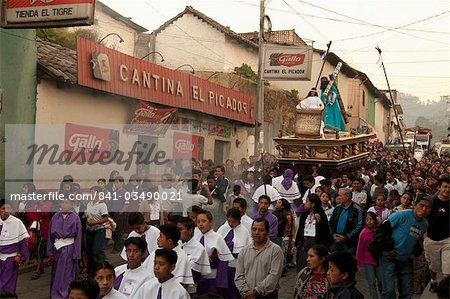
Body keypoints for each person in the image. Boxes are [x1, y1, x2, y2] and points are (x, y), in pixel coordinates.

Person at [374, 194, 432, 299]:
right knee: (389, 291)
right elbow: (380, 233)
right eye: (421, 205)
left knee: (406, 292)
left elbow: (416, 240)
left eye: (427, 207)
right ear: (414, 205)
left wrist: (415, 253)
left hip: (405, 261)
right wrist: (389, 249)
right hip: (389, 258)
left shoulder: (424, 224)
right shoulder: (401, 215)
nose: (424, 209)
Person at [235, 218, 284, 298]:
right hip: (247, 296)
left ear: (267, 232)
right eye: (254, 229)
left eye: (261, 230)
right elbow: (239, 275)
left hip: (267, 296)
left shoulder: (275, 250)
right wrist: (246, 291)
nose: (257, 232)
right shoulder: (244, 251)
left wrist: (256, 291)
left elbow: (274, 276)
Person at [194, 210, 234, 296]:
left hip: (212, 280)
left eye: (204, 221)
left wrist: (219, 284)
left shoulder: (217, 238)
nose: (201, 224)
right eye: (198, 222)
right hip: (197, 279)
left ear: (211, 222)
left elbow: (224, 261)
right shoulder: (195, 238)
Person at [47, 199, 82, 299]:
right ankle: (55, 294)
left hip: (69, 248)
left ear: (71, 204)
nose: (64, 205)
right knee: (56, 272)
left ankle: (65, 294)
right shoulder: (55, 217)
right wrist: (50, 252)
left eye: (66, 202)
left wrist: (76, 254)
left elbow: (78, 237)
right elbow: (50, 236)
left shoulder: (75, 218)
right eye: (62, 202)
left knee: (67, 273)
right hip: (57, 248)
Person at [217, 208, 251, 299]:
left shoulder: (244, 231)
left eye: (234, 222)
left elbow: (246, 249)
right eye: (229, 221)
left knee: (233, 288)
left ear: (239, 220)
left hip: (235, 264)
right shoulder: (223, 228)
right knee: (222, 287)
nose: (231, 224)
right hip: (223, 264)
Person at [424, 175, 450, 293]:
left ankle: (445, 288)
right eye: (445, 187)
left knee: (447, 268)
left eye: (449, 187)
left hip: (447, 240)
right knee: (433, 265)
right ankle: (433, 281)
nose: (447, 190)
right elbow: (423, 217)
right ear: (439, 187)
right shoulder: (431, 202)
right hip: (432, 239)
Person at [293, 194, 330, 273]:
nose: (305, 204)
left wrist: (326, 248)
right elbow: (300, 230)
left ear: (313, 204)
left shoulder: (321, 215)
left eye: (307, 202)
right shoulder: (304, 215)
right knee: (302, 266)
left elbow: (325, 232)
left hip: (315, 242)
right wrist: (296, 244)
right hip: (304, 243)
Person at [0, 199, 29, 293]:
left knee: (9, 286)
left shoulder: (17, 222)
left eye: (8, 208)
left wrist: (23, 257)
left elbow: (22, 242)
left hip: (11, 260)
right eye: (3, 208)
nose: (6, 211)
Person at [176, 217, 211, 295]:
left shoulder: (198, 248)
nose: (178, 232)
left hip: (190, 288)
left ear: (190, 230)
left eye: (181, 229)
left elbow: (193, 271)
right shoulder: (176, 244)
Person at [329, 188, 363, 255]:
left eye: (340, 195)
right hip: (335, 240)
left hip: (349, 243)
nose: (338, 198)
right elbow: (331, 222)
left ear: (347, 196)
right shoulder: (337, 208)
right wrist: (333, 234)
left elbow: (358, 226)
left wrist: (346, 237)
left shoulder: (357, 210)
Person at [356, 211, 381, 299]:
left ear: (375, 220)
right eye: (367, 220)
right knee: (372, 282)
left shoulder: (379, 231)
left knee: (381, 281)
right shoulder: (363, 233)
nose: (369, 222)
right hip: (368, 261)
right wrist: (358, 262)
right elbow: (359, 248)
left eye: (371, 219)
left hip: (378, 260)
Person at [84, 186, 109, 276]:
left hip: (99, 230)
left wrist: (95, 222)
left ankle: (104, 267)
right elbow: (87, 214)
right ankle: (91, 272)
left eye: (93, 192)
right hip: (89, 230)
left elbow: (106, 218)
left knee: (96, 251)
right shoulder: (89, 204)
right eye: (90, 192)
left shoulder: (102, 205)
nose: (91, 194)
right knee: (89, 252)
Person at [111, 176, 130, 253]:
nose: (116, 184)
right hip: (113, 213)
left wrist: (121, 211)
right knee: (113, 232)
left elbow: (127, 204)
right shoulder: (114, 192)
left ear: (122, 183)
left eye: (117, 182)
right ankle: (120, 242)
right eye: (115, 182)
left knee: (118, 231)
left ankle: (117, 248)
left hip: (120, 214)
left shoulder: (125, 192)